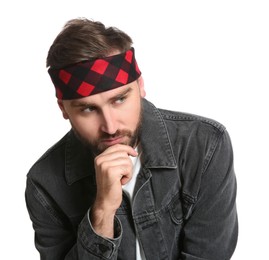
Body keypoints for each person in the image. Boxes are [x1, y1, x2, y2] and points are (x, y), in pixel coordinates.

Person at [25, 18, 238, 260]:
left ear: (140, 86)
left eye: (119, 100)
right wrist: (102, 212)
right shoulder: (44, 184)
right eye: (87, 109)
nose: (110, 126)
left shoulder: (203, 145)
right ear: (64, 110)